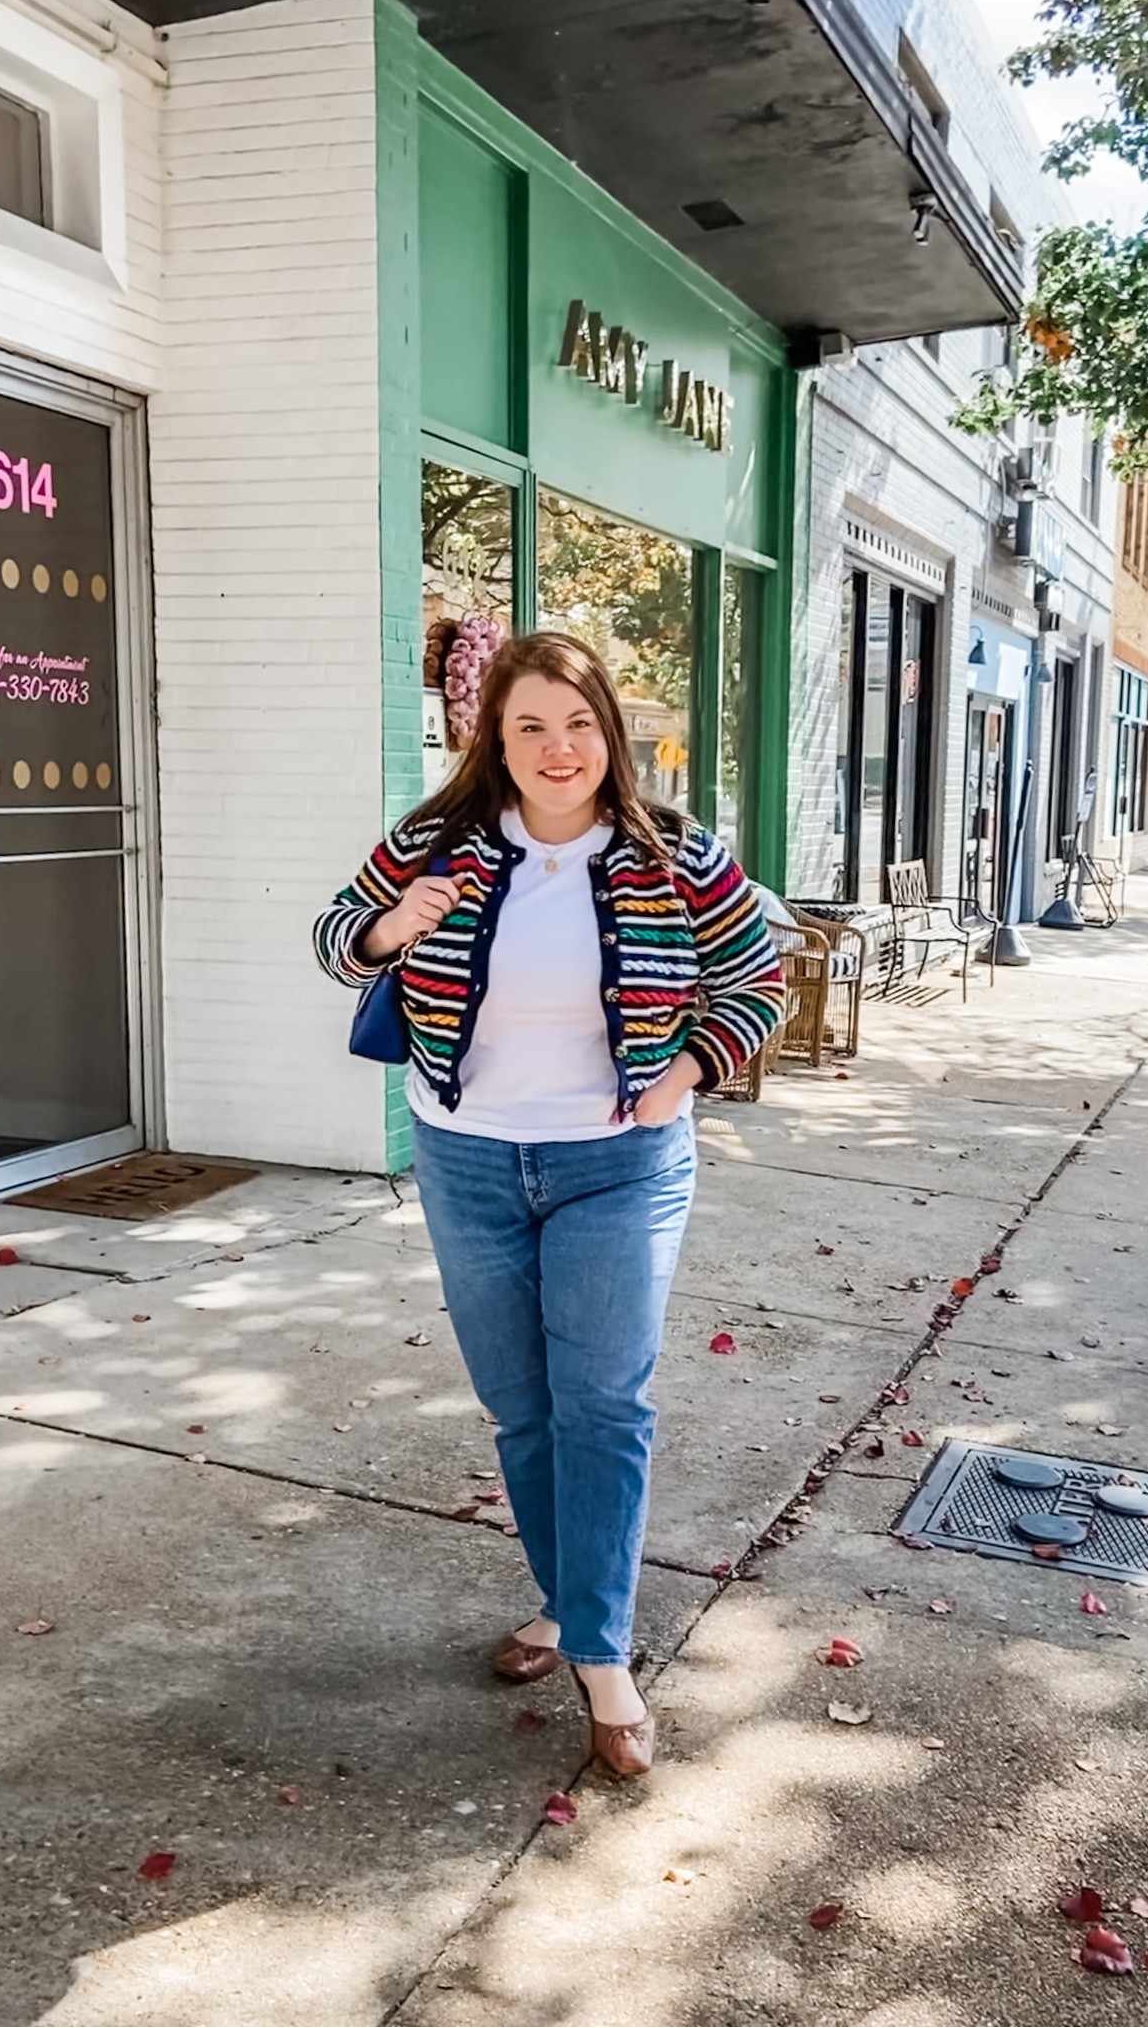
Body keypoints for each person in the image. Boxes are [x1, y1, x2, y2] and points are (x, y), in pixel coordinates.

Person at [314, 631, 782, 1777]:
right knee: (522, 1408)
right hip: (468, 1161)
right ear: (496, 739)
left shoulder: (676, 855)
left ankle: (604, 1657)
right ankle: (567, 1608)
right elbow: (335, 940)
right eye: (528, 726)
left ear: (607, 733)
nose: (555, 747)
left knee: (604, 1406)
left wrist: (687, 1071)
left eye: (575, 724)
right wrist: (389, 928)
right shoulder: (436, 843)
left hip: (617, 1164)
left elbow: (758, 980)